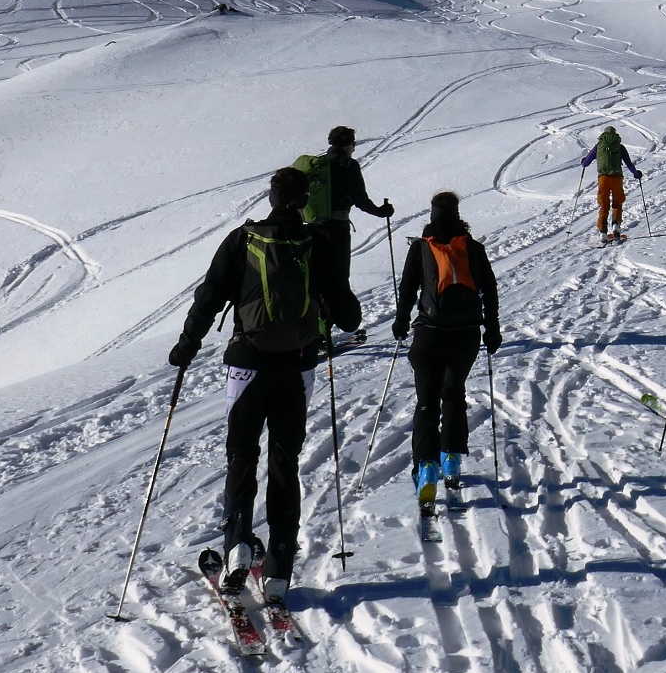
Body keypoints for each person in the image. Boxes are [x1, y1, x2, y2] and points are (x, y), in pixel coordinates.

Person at [168, 167, 361, 600]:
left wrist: (187, 346)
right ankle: (278, 570)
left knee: (241, 456)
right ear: (304, 200)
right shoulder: (319, 242)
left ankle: (237, 546)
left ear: (272, 196)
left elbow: (209, 296)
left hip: (246, 364)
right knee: (284, 462)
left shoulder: (243, 239)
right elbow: (350, 316)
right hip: (298, 366)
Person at [394, 191, 502, 529]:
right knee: (453, 393)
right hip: (466, 334)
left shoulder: (421, 247)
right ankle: (452, 460)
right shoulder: (472, 247)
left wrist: (400, 322)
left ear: (432, 214)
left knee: (427, 401)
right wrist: (492, 329)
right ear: (457, 214)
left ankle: (426, 466)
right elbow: (490, 289)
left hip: (429, 334)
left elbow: (408, 289)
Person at [301, 126, 393, 285]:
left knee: (317, 276)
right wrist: (380, 212)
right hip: (337, 229)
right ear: (348, 144)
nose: (354, 148)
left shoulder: (317, 164)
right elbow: (360, 199)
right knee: (338, 277)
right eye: (353, 144)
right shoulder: (348, 164)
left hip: (312, 227)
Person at [579, 126, 643, 243]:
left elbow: (586, 163)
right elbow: (628, 164)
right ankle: (616, 228)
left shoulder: (599, 146)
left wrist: (583, 161)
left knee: (604, 206)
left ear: (603, 135)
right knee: (617, 204)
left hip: (603, 178)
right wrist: (636, 174)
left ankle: (603, 233)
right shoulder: (620, 147)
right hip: (617, 178)